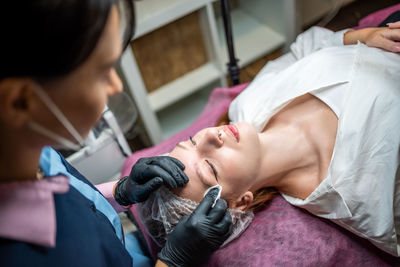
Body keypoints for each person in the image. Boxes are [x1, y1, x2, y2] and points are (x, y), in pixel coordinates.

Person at [137, 21, 400, 257]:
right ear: (241, 201)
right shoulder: (358, 198)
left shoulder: (247, 105)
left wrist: (363, 36)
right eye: (210, 167)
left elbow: (303, 48)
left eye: (193, 141)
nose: (210, 136)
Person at [0, 1, 232, 266]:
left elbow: (69, 197)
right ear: (19, 102)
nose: (116, 85)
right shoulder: (39, 257)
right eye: (101, 72)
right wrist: (174, 261)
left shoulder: (24, 147)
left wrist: (120, 193)